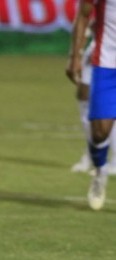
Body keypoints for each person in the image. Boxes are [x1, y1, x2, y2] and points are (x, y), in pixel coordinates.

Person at [66, 0, 116, 210]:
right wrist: (74, 56)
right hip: (106, 62)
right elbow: (84, 14)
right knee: (100, 132)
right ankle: (100, 172)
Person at [70, 20, 116, 174]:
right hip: (99, 46)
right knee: (83, 96)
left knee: (110, 107)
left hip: (108, 50)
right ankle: (90, 154)